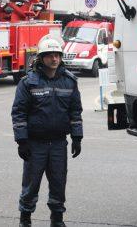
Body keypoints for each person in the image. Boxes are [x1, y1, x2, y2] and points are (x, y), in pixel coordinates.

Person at [11, 35, 83, 227]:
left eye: (57, 55)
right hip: (35, 145)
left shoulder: (69, 82)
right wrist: (22, 141)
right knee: (31, 185)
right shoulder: (28, 83)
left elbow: (75, 111)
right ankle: (25, 219)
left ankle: (57, 220)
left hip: (59, 143)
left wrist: (77, 137)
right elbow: (19, 113)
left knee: (59, 184)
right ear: (41, 58)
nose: (54, 59)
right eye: (49, 55)